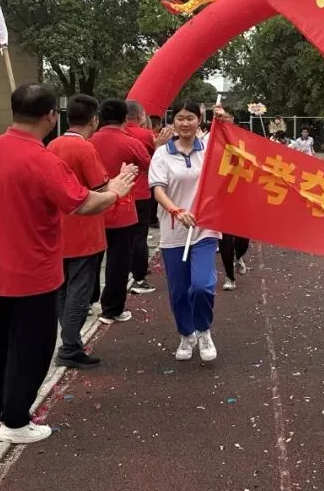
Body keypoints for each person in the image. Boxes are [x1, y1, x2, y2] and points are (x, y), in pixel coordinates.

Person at [0, 84, 135, 444]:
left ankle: (4, 409)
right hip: (32, 272)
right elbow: (81, 203)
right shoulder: (42, 160)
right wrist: (116, 192)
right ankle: (15, 421)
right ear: (50, 115)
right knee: (31, 348)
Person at [149, 100, 229, 363]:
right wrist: (176, 211)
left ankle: (204, 330)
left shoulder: (209, 148)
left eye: (190, 118)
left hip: (204, 229)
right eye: (180, 119)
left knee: (202, 286)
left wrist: (224, 121)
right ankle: (187, 334)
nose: (185, 123)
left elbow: (234, 152)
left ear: (199, 120)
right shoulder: (162, 154)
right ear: (173, 122)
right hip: (174, 232)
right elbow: (158, 190)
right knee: (179, 291)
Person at [47, 94, 111, 369]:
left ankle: (68, 339)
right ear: (94, 119)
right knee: (79, 292)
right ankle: (70, 345)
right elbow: (101, 188)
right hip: (84, 231)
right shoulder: (85, 149)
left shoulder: (52, 145)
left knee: (63, 289)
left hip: (59, 229)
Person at [90, 99, 152, 325]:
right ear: (126, 118)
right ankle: (111, 309)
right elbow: (148, 164)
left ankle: (87, 301)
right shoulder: (131, 142)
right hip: (122, 209)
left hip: (93, 207)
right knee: (118, 261)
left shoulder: (89, 141)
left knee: (92, 260)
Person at [124, 100, 169, 295]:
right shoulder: (146, 136)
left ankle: (124, 272)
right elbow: (157, 163)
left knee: (120, 239)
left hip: (113, 194)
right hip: (140, 192)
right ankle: (139, 277)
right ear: (141, 116)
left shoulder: (104, 136)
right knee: (139, 237)